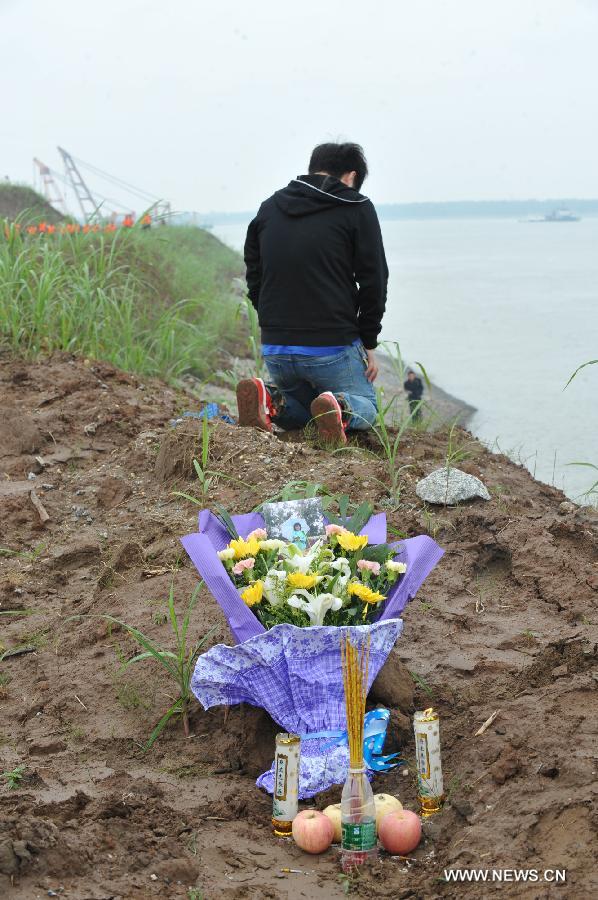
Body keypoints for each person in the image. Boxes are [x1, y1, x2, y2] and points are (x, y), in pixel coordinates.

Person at [236, 142, 388, 446]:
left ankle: (270, 399)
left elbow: (254, 272)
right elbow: (374, 282)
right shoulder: (356, 206)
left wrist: (269, 318)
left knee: (305, 412)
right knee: (368, 406)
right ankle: (342, 407)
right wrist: (369, 341)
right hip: (330, 347)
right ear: (350, 177)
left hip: (277, 347)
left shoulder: (269, 207)